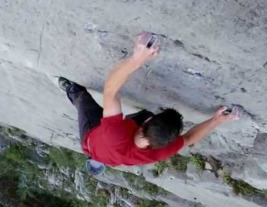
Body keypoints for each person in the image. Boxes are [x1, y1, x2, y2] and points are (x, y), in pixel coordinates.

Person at [59, 32, 242, 175]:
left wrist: (137, 59)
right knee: (138, 113)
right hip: (116, 145)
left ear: (147, 124)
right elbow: (188, 139)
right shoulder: (157, 152)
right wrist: (216, 120)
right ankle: (104, 152)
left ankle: (71, 89)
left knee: (83, 101)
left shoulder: (116, 135)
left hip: (93, 141)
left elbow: (110, 89)